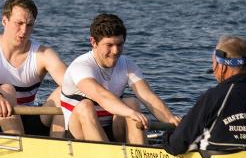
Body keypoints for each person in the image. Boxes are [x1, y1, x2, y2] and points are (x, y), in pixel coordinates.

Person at [60, 13, 179, 144]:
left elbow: (148, 96)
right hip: (78, 135)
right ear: (93, 42)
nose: (116, 51)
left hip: (111, 129)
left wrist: (171, 119)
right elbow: (101, 96)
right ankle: (105, 156)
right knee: (85, 106)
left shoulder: (127, 64)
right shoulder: (81, 66)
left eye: (119, 44)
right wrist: (131, 113)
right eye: (109, 45)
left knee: (132, 102)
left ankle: (138, 153)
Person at [163, 35, 246, 156]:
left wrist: (169, 132)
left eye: (213, 63)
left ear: (221, 66)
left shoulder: (213, 96)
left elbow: (176, 145)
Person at [0, 0, 66, 136]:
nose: (24, 31)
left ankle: (60, 148)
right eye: (19, 23)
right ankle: (22, 146)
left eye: (29, 25)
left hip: (28, 121)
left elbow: (71, 84)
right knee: (7, 90)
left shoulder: (44, 53)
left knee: (65, 91)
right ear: (4, 21)